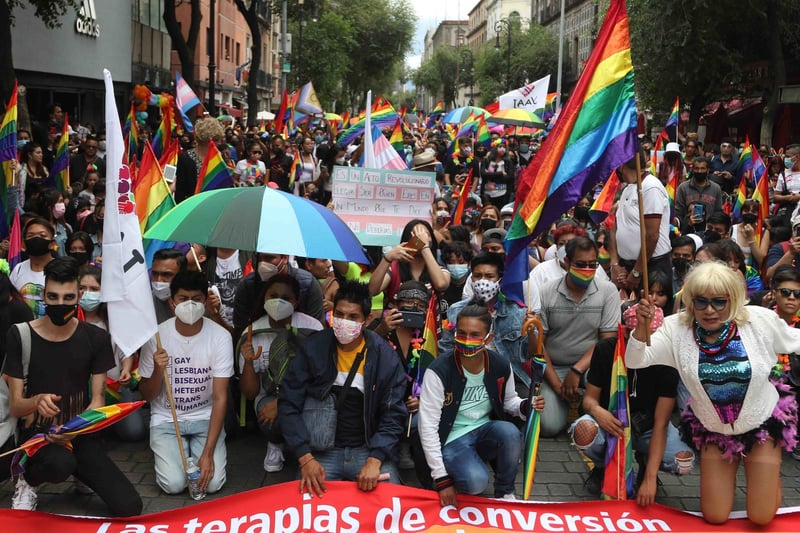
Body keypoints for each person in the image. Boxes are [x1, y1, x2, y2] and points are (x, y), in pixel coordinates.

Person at [628, 261, 800, 526]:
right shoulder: (676, 329)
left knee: (761, 517)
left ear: (733, 300)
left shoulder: (759, 320)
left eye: (719, 302)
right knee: (715, 516)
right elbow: (636, 361)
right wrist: (642, 326)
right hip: (713, 429)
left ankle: (768, 482)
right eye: (701, 302)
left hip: (762, 424)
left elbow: (795, 340)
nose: (710, 310)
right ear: (690, 301)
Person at [2, 257, 141, 515]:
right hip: (36, 437)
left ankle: (81, 471)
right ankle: (27, 480)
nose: (60, 304)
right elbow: (16, 405)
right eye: (52, 297)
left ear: (79, 295)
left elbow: (98, 400)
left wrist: (75, 431)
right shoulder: (20, 335)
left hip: (79, 432)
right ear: (43, 294)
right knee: (60, 463)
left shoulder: (95, 337)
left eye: (68, 297)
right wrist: (36, 401)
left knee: (129, 507)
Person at [278, 281, 407, 496]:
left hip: (368, 451)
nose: (343, 322)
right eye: (339, 314)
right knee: (305, 511)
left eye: (353, 317)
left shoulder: (385, 357)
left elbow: (394, 413)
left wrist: (375, 460)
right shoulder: (313, 348)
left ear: (367, 320)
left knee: (392, 504)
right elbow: (289, 402)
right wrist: (305, 458)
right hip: (321, 453)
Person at [419, 303, 545, 505]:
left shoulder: (500, 364)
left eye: (475, 335)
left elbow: (510, 401)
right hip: (451, 438)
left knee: (510, 433)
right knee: (476, 483)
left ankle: (505, 492)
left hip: (484, 428)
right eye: (462, 333)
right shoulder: (439, 370)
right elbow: (427, 426)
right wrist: (441, 479)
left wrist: (526, 406)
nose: (467, 341)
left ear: (489, 339)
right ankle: (455, 469)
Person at [570, 305, 694, 499]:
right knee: (584, 430)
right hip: (612, 423)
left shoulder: (667, 358)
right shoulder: (605, 349)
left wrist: (651, 479)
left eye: (655, 335)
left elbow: (661, 424)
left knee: (683, 461)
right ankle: (603, 467)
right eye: (640, 335)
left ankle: (646, 465)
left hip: (649, 428)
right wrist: (598, 411)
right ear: (626, 331)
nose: (647, 343)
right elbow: (589, 399)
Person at [139, 270, 233, 496]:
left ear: (205, 300)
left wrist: (208, 454)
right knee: (173, 485)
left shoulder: (220, 337)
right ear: (172, 302)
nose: (190, 305)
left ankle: (199, 452)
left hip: (205, 417)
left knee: (211, 485)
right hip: (165, 418)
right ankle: (181, 459)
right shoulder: (157, 337)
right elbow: (147, 395)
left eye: (197, 299)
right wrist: (158, 370)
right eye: (183, 299)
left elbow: (220, 396)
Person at [238, 273, 323, 472]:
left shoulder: (312, 327)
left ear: (296, 301)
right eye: (273, 296)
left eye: (285, 298)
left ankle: (309, 448)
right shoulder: (252, 332)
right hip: (268, 395)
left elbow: (321, 376)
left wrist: (282, 402)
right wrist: (249, 364)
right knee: (274, 418)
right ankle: (275, 443)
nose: (278, 302)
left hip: (306, 393)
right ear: (264, 298)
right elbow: (250, 393)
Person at [538, 237, 620, 437]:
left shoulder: (608, 291)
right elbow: (539, 345)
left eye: (593, 265)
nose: (587, 270)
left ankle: (589, 408)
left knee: (608, 369)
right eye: (580, 264)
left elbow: (607, 340)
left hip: (591, 366)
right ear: (566, 263)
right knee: (549, 427)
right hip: (554, 367)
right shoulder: (546, 291)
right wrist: (558, 385)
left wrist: (577, 370)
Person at [440, 252, 529, 396]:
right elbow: (446, 349)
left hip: (509, 380)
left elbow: (529, 354)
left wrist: (530, 331)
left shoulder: (517, 312)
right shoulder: (456, 310)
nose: (483, 281)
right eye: (477, 275)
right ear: (471, 278)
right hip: (466, 379)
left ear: (500, 279)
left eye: (489, 276)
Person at [77, 265, 145, 441]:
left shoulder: (115, 319)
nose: (87, 293)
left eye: (94, 289)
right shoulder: (71, 321)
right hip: (82, 392)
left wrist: (126, 369)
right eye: (82, 288)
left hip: (115, 388)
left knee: (134, 433)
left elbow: (126, 351)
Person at [610, 149, 672, 294]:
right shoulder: (627, 189)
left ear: (621, 166)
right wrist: (615, 264)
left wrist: (637, 271)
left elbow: (652, 235)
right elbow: (615, 228)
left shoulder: (651, 187)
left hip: (651, 266)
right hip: (627, 268)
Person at [369, 219, 451, 299]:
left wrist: (424, 247)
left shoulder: (439, 269)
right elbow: (372, 291)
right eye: (416, 235)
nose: (421, 238)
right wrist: (388, 258)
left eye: (425, 235)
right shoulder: (395, 268)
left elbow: (441, 284)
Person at [10, 217, 56, 318]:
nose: (36, 239)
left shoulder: (60, 269)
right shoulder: (18, 269)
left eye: (42, 235)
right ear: (23, 244)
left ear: (52, 244)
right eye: (30, 236)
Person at [150, 248, 188, 324]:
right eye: (155, 274)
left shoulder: (199, 301)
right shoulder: (145, 302)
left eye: (166, 275)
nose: (159, 280)